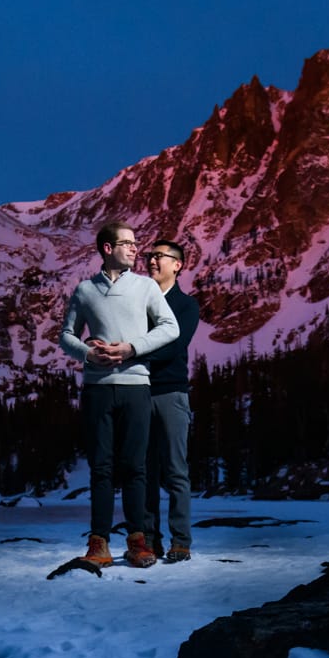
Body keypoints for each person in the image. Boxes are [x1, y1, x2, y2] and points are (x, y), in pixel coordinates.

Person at [59, 220, 182, 568]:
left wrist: (131, 348)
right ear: (107, 248)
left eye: (135, 243)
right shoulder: (84, 291)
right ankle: (99, 543)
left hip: (136, 386)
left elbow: (169, 327)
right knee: (101, 467)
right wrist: (86, 352)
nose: (135, 249)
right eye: (127, 243)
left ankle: (138, 541)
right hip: (97, 389)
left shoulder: (145, 288)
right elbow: (65, 335)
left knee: (135, 467)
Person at [142, 239, 199, 563]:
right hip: (140, 394)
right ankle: (149, 541)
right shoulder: (140, 302)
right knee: (144, 471)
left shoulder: (186, 305)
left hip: (171, 394)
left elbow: (174, 345)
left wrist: (135, 353)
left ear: (177, 265)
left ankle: (181, 542)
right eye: (149, 256)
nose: (151, 261)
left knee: (176, 470)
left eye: (159, 257)